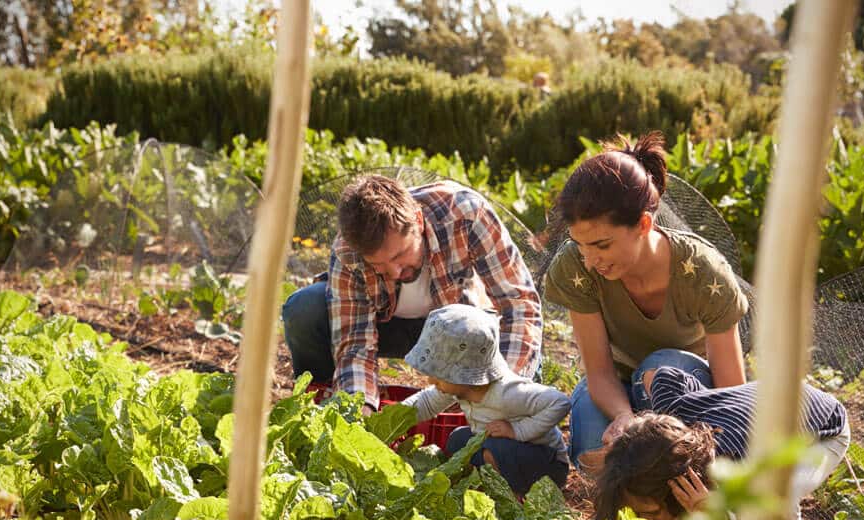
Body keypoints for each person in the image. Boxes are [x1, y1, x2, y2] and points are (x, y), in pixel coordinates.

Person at [541, 131, 749, 469]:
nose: (591, 261)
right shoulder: (574, 267)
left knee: (659, 368)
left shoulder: (702, 271)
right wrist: (625, 418)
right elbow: (599, 371)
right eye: (581, 245)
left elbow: (732, 393)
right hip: (615, 388)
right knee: (593, 459)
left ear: (643, 223)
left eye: (602, 245)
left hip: (685, 391)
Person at [282, 175, 542, 414]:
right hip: (387, 327)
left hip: (460, 333)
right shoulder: (348, 250)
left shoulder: (465, 213)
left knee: (509, 404)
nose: (394, 272)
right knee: (305, 308)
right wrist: (357, 409)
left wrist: (501, 392)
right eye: (379, 266)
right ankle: (321, 406)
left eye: (399, 256)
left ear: (418, 221)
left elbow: (519, 305)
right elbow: (355, 344)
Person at [589, 366, 851, 520]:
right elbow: (665, 376)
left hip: (824, 430)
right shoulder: (672, 416)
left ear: (681, 489)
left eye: (653, 514)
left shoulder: (732, 464)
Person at [401, 304, 570, 496]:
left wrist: (518, 431)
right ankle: (483, 489)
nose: (432, 381)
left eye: (438, 375)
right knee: (458, 440)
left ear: (464, 375)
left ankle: (510, 499)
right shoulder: (458, 386)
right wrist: (389, 418)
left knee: (495, 449)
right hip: (506, 450)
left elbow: (560, 402)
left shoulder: (508, 393)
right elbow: (426, 403)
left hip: (546, 464)